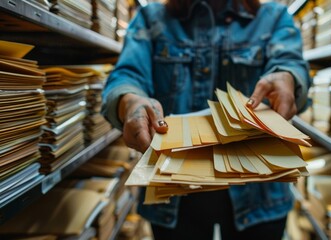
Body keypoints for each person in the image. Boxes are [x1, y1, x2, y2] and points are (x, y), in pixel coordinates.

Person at [102, 0, 311, 239]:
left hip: (259, 193)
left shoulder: (273, 17)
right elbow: (128, 74)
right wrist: (130, 101)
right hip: (174, 192)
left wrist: (288, 78)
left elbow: (290, 62)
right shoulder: (152, 18)